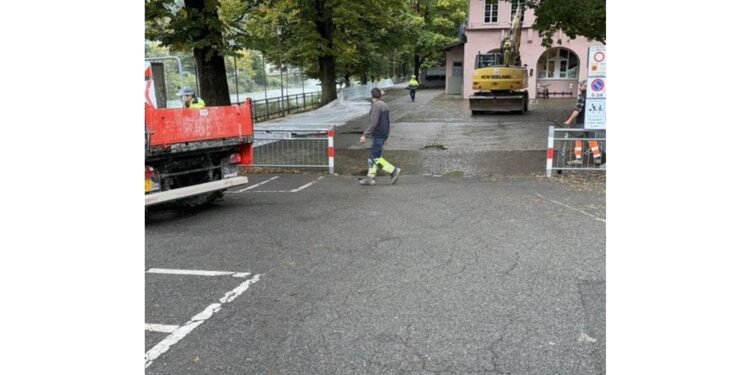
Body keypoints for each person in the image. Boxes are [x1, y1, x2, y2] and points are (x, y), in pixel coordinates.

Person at [359, 87, 402, 186]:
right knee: (372, 157)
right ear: (380, 95)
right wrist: (386, 136)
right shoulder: (385, 105)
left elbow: (373, 123)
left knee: (375, 158)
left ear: (371, 96)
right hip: (382, 135)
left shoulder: (376, 106)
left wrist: (365, 135)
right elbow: (387, 123)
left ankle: (393, 170)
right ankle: (371, 178)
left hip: (378, 135)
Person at [564, 80, 601, 165]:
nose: (579, 88)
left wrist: (569, 120)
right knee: (592, 139)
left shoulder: (582, 96)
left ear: (586, 87)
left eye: (581, 86)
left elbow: (578, 110)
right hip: (591, 121)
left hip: (582, 122)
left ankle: (578, 159)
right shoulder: (593, 96)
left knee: (578, 139)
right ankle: (597, 158)